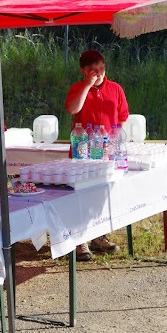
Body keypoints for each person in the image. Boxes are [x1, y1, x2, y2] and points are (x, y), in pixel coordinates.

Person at [65, 49, 129, 261]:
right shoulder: (77, 88)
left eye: (101, 68)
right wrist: (86, 85)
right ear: (83, 71)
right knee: (80, 195)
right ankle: (79, 240)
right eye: (92, 70)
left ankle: (99, 236)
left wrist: (118, 142)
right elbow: (73, 109)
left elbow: (122, 118)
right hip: (81, 151)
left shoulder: (116, 89)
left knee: (101, 196)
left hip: (106, 151)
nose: (98, 73)